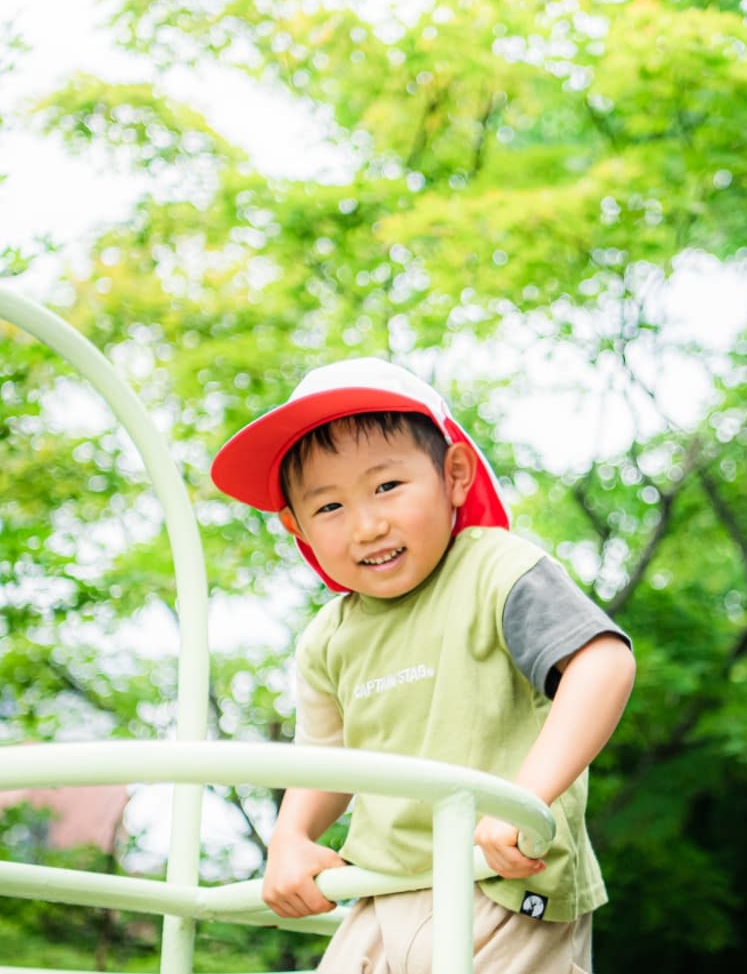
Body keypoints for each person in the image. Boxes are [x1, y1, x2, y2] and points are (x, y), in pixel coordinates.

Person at [210, 357, 635, 973]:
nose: (367, 524)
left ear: (454, 475)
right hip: (376, 891)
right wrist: (290, 839)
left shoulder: (496, 570)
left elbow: (602, 664)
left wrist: (524, 799)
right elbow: (323, 758)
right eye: (328, 507)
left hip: (502, 881)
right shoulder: (330, 636)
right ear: (295, 525)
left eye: (387, 487)